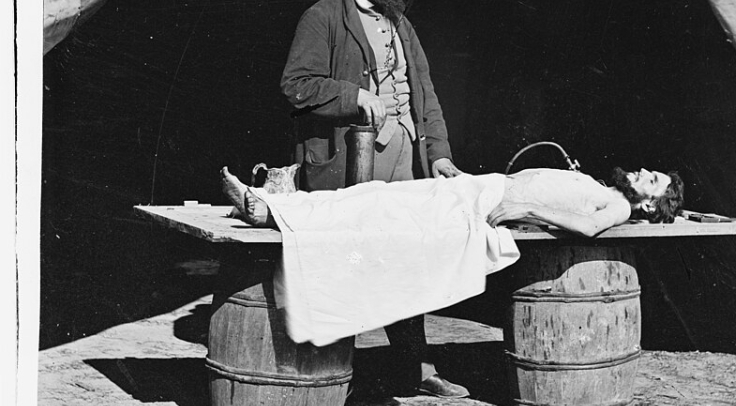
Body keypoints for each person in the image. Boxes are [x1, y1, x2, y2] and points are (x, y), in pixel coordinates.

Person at [279, 0, 464, 398]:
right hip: (348, 164)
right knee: (348, 261)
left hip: (405, 161)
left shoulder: (401, 22)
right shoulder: (323, 17)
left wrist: (439, 154)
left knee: (406, 262)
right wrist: (353, 94)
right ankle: (330, 372)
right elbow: (296, 85)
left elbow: (425, 94)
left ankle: (416, 369)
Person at [222, 165, 685, 238]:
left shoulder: (620, 208)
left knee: (382, 206)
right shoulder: (605, 187)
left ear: (649, 205)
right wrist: (463, 174)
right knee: (378, 194)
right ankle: (278, 203)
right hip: (480, 187)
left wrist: (528, 211)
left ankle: (271, 212)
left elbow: (586, 229)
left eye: (655, 181)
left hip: (486, 203)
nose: (647, 173)